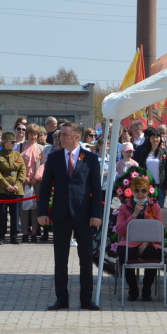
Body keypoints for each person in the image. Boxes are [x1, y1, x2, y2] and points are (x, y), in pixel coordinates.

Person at [37, 122, 104, 310]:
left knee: (85, 259)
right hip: (60, 215)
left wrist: (96, 214)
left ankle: (86, 299)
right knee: (61, 259)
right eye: (61, 135)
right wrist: (43, 212)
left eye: (65, 134)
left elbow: (96, 189)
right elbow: (45, 188)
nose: (61, 138)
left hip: (84, 215)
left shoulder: (89, 158)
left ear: (77, 137)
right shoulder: (54, 157)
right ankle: (62, 298)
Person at [114, 175, 163, 301]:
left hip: (149, 243)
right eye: (137, 190)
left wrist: (146, 242)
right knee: (124, 254)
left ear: (148, 191)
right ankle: (133, 289)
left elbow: (159, 228)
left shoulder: (154, 206)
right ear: (132, 191)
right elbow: (120, 230)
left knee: (154, 253)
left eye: (143, 190)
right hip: (130, 243)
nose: (140, 194)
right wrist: (134, 214)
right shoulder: (124, 207)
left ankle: (147, 289)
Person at [0, 130, 26, 244]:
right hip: (1, 189)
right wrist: (6, 185)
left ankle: (14, 236)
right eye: (12, 141)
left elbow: (22, 170)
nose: (14, 143)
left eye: (15, 141)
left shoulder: (17, 155)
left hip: (16, 189)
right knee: (1, 214)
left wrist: (16, 185)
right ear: (5, 142)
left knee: (15, 214)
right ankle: (0, 236)